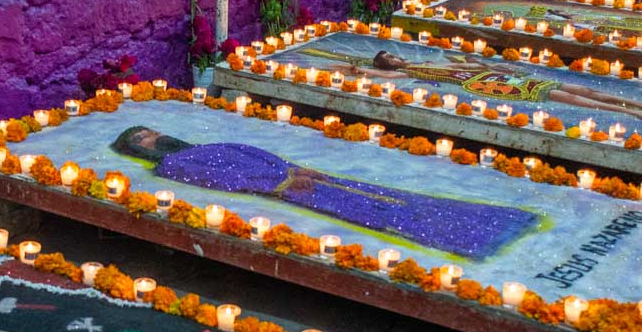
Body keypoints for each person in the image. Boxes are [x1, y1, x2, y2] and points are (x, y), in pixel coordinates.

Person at [110, 126, 539, 260]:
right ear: (136, 150)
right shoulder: (175, 163)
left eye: (151, 132)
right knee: (370, 212)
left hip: (293, 173)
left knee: (382, 194)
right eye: (143, 140)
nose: (154, 138)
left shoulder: (194, 146)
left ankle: (493, 220)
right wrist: (282, 184)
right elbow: (221, 180)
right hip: (289, 188)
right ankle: (466, 237)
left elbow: (248, 152)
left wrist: (295, 166)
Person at [310, 48, 642, 119]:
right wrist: (356, 69)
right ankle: (625, 112)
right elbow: (381, 76)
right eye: (389, 59)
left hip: (492, 75)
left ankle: (634, 104)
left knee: (579, 90)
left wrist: (475, 62)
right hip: (492, 88)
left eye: (393, 57)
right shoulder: (414, 73)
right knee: (560, 96)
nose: (396, 59)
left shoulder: (425, 62)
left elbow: (460, 61)